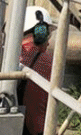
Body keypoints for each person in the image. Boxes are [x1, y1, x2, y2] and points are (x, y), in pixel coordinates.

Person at [19, 7, 54, 135]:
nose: (48, 42)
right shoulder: (44, 60)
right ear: (40, 33)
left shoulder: (9, 52)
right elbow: (36, 110)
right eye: (47, 34)